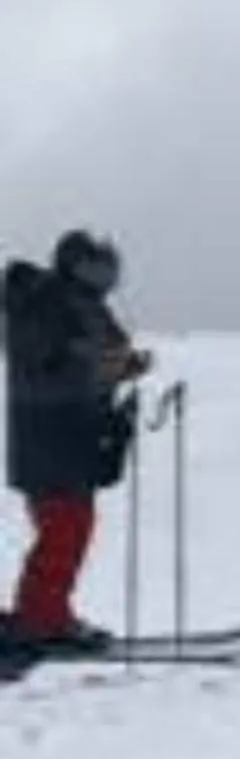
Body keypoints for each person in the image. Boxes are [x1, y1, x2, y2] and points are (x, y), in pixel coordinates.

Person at [3, 232, 149, 650]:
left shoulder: (80, 304)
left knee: (69, 528)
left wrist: (123, 367)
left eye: (110, 269)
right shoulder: (44, 302)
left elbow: (93, 360)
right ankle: (41, 620)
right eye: (99, 268)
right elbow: (47, 362)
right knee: (66, 528)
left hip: (73, 433)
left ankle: (46, 613)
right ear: (76, 265)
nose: (108, 278)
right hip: (49, 434)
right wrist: (103, 364)